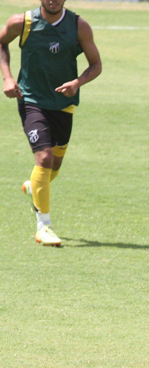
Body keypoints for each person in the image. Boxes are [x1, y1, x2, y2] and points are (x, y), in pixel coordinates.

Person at [1, 0, 102, 247]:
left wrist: (77, 83)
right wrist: (8, 77)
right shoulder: (21, 22)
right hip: (31, 100)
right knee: (44, 159)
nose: (53, 0)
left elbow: (96, 64)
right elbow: (1, 42)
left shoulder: (79, 26)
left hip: (63, 104)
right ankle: (43, 227)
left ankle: (32, 185)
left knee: (54, 166)